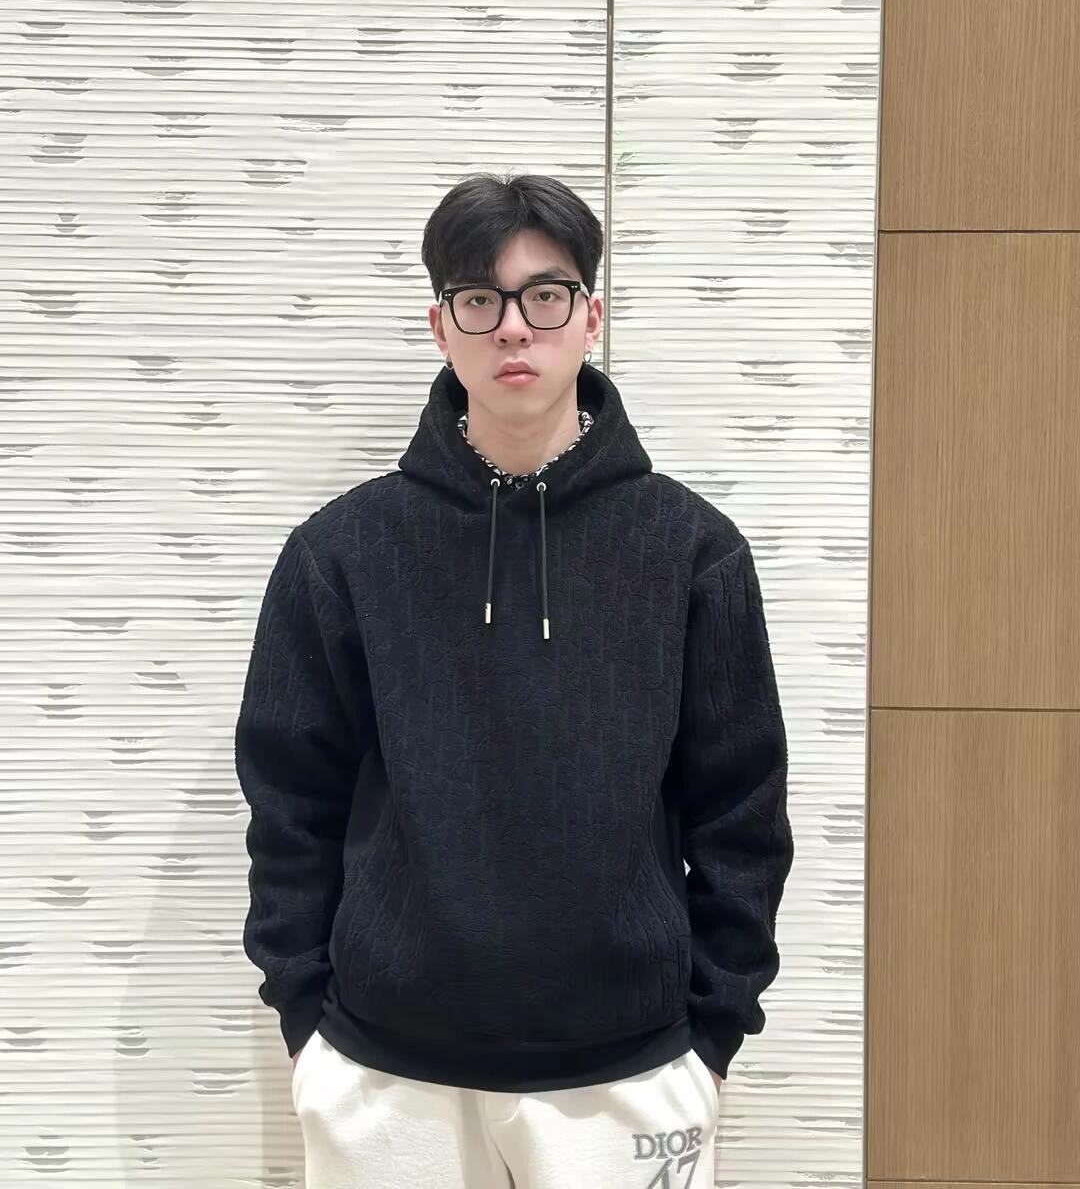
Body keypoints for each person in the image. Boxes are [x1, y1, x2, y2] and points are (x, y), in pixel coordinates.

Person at [234, 171, 795, 1188]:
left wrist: (712, 1033)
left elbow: (741, 812)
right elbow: (289, 802)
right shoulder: (343, 552)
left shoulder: (691, 551)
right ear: (440, 327)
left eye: (544, 294)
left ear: (591, 317)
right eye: (478, 299)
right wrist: (306, 1020)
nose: (513, 327)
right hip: (382, 1075)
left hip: (631, 1072)